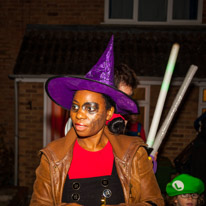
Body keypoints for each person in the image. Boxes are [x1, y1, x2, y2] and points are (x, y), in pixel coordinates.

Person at [30, 36, 164, 205]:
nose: (79, 115)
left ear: (109, 113)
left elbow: (155, 202)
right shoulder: (52, 156)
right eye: (75, 107)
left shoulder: (133, 152)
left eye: (90, 108)